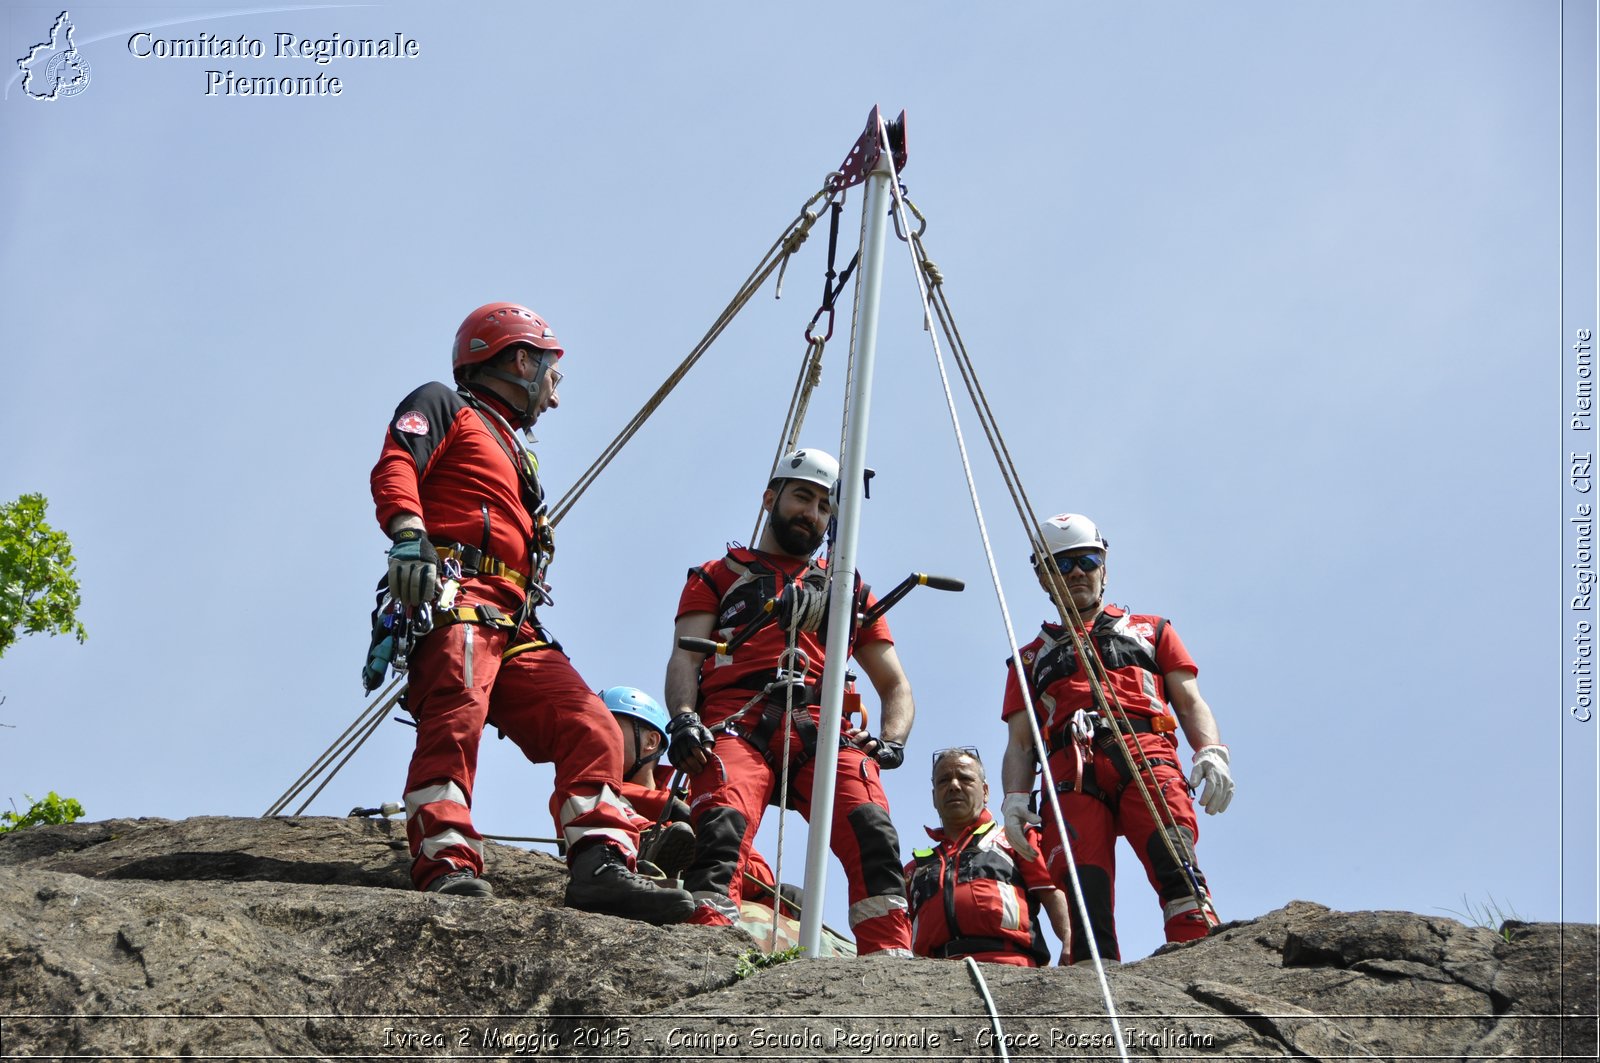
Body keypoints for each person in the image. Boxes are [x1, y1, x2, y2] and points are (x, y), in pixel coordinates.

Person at [369, 300, 694, 924]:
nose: (554, 393)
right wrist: (409, 534)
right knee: (455, 720)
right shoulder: (445, 404)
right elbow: (397, 463)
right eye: (552, 372)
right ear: (519, 359)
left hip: (514, 617)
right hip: (459, 596)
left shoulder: (515, 451)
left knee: (591, 725)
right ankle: (444, 861)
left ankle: (600, 863)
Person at [663, 448, 916, 955]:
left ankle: (890, 957)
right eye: (803, 497)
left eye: (825, 506)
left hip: (824, 726)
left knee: (870, 826)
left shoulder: (848, 590)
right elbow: (685, 659)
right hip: (739, 718)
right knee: (720, 824)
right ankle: (709, 947)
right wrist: (685, 719)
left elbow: (896, 686)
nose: (813, 514)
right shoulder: (719, 574)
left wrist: (891, 742)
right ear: (769, 498)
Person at [1000, 513, 1234, 963]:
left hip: (1146, 754)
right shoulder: (1028, 659)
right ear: (1043, 577)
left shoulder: (1152, 630)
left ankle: (1201, 968)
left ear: (1103, 565)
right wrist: (1014, 798)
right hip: (1070, 772)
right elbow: (1021, 742)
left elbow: (1188, 700)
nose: (1076, 573)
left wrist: (1211, 751)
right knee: (1084, 901)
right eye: (1062, 566)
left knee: (1179, 874)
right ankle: (1094, 995)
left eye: (1085, 560)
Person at [905, 747, 1069, 966]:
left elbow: (1051, 891)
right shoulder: (914, 869)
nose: (954, 785)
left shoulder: (1017, 839)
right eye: (943, 781)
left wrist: (1070, 939)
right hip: (935, 976)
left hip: (1012, 965)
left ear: (985, 791)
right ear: (934, 797)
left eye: (964, 778)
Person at [598, 685, 696, 880]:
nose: (596, 740)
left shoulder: (693, 800)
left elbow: (744, 858)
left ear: (650, 741)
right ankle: (647, 841)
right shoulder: (585, 793)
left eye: (609, 729)